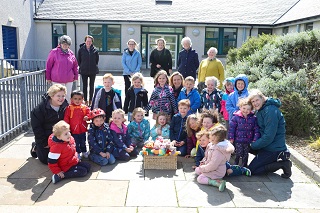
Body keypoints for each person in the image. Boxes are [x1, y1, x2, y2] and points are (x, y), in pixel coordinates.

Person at [248, 89, 292, 178]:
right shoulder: (261, 109)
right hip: (266, 145)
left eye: (257, 100)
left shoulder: (270, 111)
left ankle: (283, 164)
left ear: (263, 98)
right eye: (253, 102)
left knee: (252, 170)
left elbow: (268, 136)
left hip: (273, 148)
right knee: (243, 144)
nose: (255, 103)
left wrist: (253, 145)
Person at [30, 84, 69, 164]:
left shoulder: (66, 105)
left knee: (63, 157)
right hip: (45, 136)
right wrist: (43, 142)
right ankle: (36, 147)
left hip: (60, 135)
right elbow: (37, 128)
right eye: (58, 96)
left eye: (63, 96)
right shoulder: (39, 109)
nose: (61, 98)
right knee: (46, 160)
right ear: (51, 96)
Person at [195, 125, 234, 192]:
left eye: (212, 139)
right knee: (197, 170)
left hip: (217, 171)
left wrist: (204, 168)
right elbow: (207, 155)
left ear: (218, 140)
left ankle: (216, 182)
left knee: (200, 179)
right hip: (210, 167)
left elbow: (213, 165)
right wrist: (203, 162)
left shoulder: (218, 151)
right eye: (210, 138)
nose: (210, 140)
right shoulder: (212, 144)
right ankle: (208, 176)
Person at [46, 35, 78, 103]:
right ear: (60, 44)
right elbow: (49, 65)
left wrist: (76, 76)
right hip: (57, 79)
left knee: (68, 96)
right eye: (63, 44)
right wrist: (48, 77)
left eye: (67, 44)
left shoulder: (71, 53)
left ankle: (67, 111)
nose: (65, 45)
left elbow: (75, 66)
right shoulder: (54, 52)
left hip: (69, 79)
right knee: (58, 96)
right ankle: (57, 111)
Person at [228, 98, 260, 167]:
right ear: (240, 107)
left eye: (248, 109)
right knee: (238, 153)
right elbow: (232, 128)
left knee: (246, 153)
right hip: (238, 140)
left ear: (251, 109)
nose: (246, 111)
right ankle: (236, 165)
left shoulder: (253, 118)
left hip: (248, 140)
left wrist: (255, 139)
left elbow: (256, 129)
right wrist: (231, 138)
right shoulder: (236, 117)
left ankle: (244, 166)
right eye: (244, 108)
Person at [63, 90, 91, 160]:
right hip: (73, 130)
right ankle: (77, 152)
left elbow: (90, 114)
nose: (77, 100)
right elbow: (66, 118)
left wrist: (87, 117)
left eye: (79, 99)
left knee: (83, 141)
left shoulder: (84, 107)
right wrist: (67, 127)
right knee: (75, 142)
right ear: (71, 99)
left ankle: (84, 151)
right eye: (75, 99)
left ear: (82, 99)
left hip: (82, 129)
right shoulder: (69, 108)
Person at [78, 35, 99, 107]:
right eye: (87, 41)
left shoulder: (95, 50)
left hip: (93, 70)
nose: (88, 42)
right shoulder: (81, 49)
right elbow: (79, 60)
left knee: (91, 86)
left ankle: (90, 100)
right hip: (84, 70)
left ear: (92, 42)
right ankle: (85, 100)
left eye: (90, 41)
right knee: (84, 86)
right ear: (85, 41)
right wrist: (82, 66)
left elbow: (96, 60)